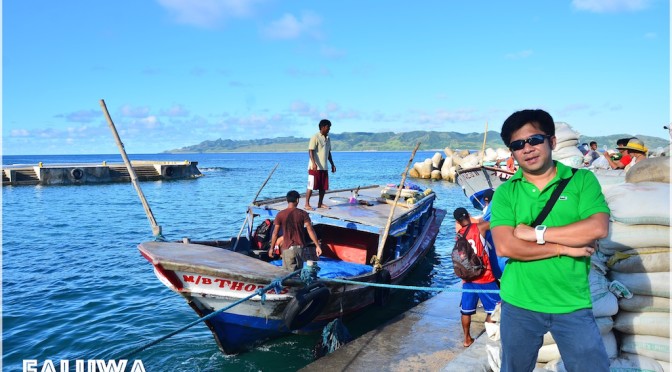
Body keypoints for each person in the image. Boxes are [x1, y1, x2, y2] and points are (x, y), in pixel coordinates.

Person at [490, 109, 610, 372]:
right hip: (519, 303)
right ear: (512, 152)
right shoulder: (506, 193)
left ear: (552, 142)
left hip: (572, 302)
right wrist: (565, 248)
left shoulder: (581, 181)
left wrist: (536, 234)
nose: (527, 149)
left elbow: (598, 227)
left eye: (534, 140)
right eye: (518, 144)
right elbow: (506, 246)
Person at [453, 207, 501, 348]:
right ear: (468, 215)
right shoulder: (480, 227)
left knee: (466, 310)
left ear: (457, 221)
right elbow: (497, 222)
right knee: (497, 306)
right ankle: (490, 332)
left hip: (467, 278)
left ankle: (467, 339)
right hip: (484, 277)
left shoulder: (459, 235)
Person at [269, 190, 322, 271]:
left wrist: (272, 248)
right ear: (297, 200)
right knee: (298, 273)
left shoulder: (280, 214)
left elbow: (275, 233)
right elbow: (310, 230)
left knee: (287, 275)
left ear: (287, 200)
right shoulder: (303, 213)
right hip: (300, 249)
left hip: (287, 249)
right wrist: (317, 246)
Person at [306, 119, 336, 210]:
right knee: (311, 186)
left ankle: (320, 203)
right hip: (314, 167)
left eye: (329, 128)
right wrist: (314, 163)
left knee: (323, 187)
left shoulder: (328, 138)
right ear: (322, 127)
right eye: (328, 127)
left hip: (324, 167)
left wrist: (332, 164)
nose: (329, 129)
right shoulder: (315, 137)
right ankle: (307, 204)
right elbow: (310, 150)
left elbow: (328, 153)